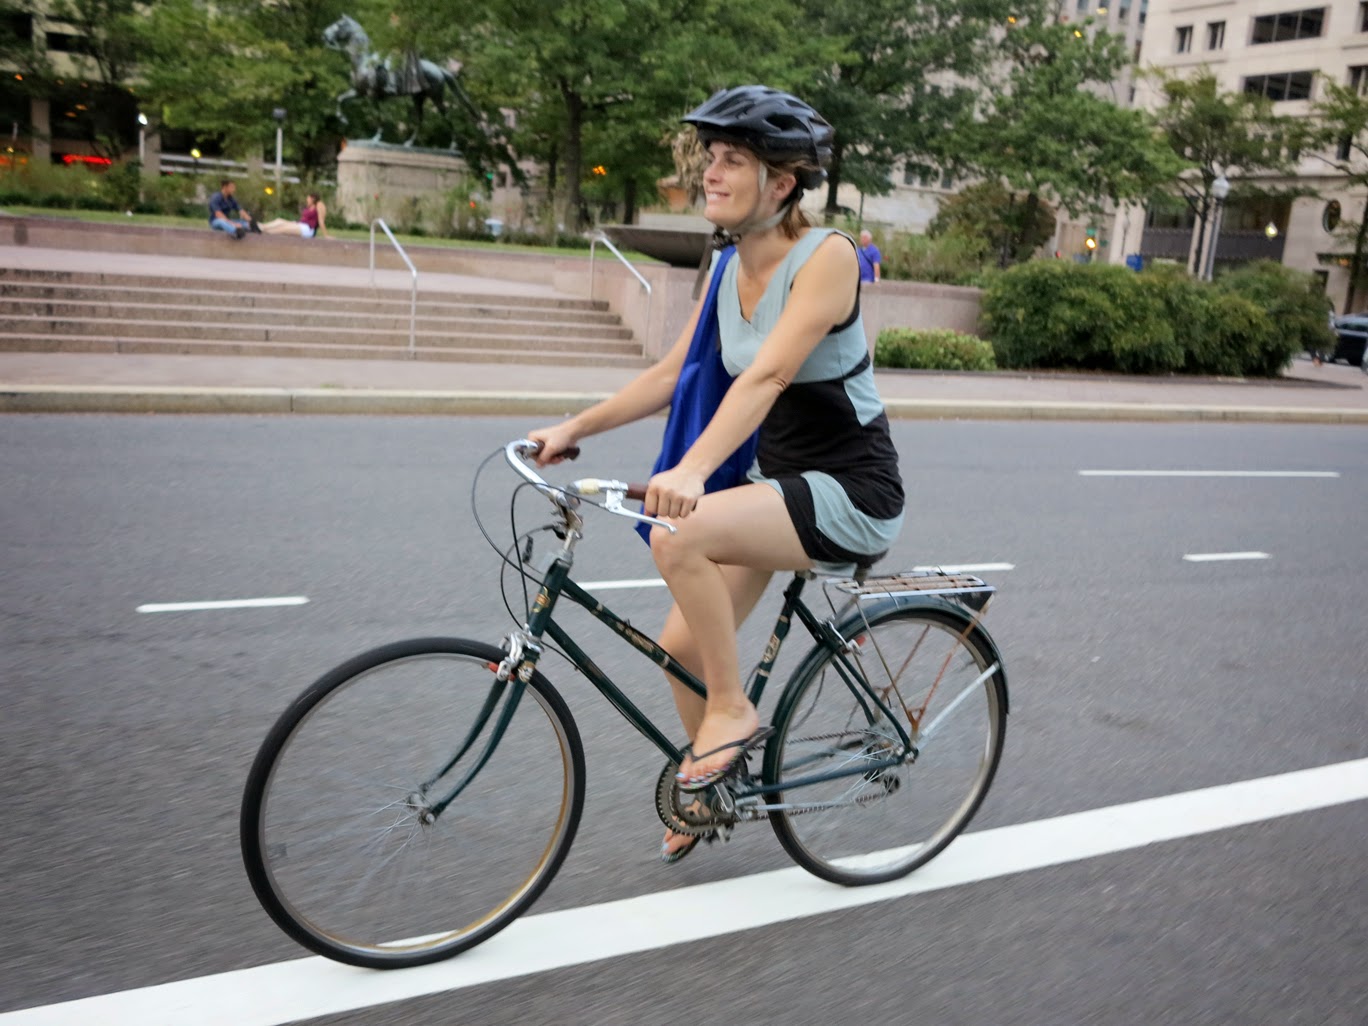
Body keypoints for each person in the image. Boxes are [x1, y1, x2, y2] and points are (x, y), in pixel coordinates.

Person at [529, 86, 904, 863]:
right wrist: (573, 427)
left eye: (734, 160)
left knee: (679, 539)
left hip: (850, 490)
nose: (712, 172)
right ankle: (714, 784)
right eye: (711, 158)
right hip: (776, 487)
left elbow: (766, 378)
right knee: (682, 646)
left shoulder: (826, 257)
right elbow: (673, 373)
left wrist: (695, 471)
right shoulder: (728, 265)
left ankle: (731, 715)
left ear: (782, 183)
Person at [258, 193, 330, 238]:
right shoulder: (308, 207)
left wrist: (326, 235)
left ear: (313, 199)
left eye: (308, 199)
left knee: (282, 228)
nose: (307, 201)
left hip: (307, 229)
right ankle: (262, 226)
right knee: (279, 220)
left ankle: (263, 231)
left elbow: (321, 221)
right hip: (299, 224)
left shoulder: (319, 205)